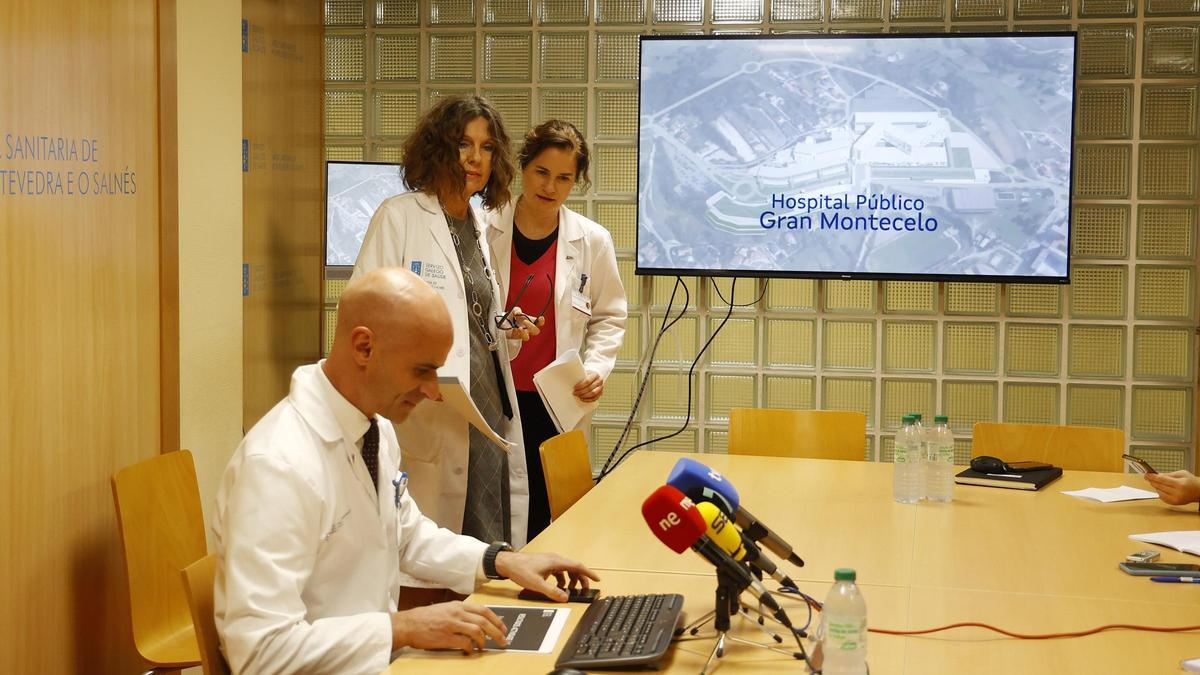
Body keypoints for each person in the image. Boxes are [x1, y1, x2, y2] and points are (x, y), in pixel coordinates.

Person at [213, 268, 598, 675]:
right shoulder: (279, 466)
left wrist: (500, 561)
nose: (434, 392)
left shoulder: (373, 427)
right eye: (422, 371)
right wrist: (401, 628)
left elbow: (406, 537)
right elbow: (258, 653)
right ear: (364, 347)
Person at [352, 95, 540, 553]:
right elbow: (361, 315)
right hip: (430, 410)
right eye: (463, 144)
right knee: (437, 548)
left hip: (487, 410)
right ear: (439, 148)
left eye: (487, 147)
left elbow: (477, 323)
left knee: (486, 542)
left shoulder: (478, 222)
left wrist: (506, 327)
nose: (476, 158)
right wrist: (414, 371)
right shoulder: (400, 216)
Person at [485, 120, 627, 539]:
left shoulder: (592, 240)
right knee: (498, 509)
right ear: (523, 169)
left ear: (576, 182)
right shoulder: (484, 226)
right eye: (542, 173)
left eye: (565, 178)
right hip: (497, 393)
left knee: (554, 510)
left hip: (556, 399)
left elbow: (610, 315)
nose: (551, 186)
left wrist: (597, 369)